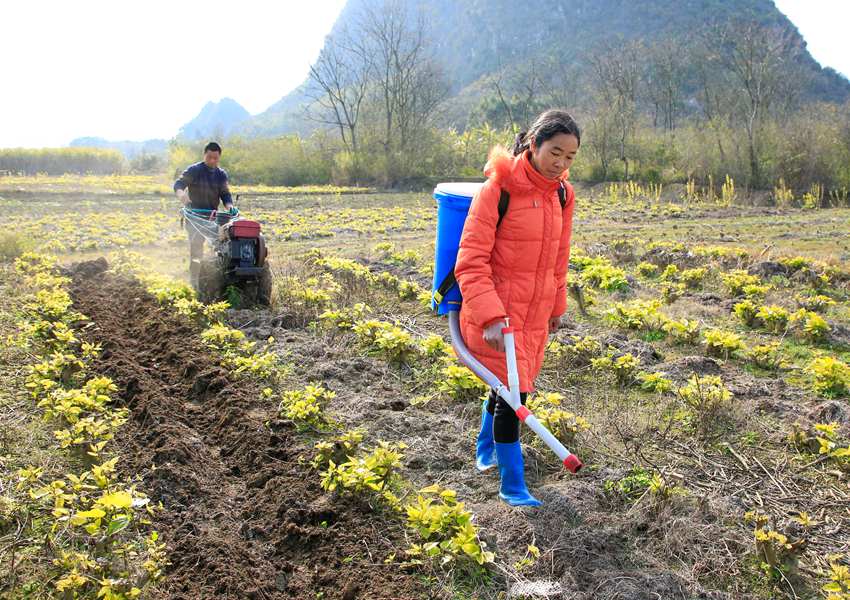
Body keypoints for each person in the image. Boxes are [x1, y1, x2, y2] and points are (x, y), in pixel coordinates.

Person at [455, 109, 580, 507]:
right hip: (501, 315)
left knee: (508, 386)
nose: (561, 163)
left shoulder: (562, 193)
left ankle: (485, 449)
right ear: (533, 144)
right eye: (555, 152)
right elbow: (470, 260)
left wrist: (556, 306)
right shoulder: (499, 189)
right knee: (515, 396)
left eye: (570, 157)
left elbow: (559, 256)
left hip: (535, 314)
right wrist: (491, 317)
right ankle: (513, 485)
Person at [173, 142, 235, 287]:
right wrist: (182, 195)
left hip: (212, 218)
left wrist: (230, 206)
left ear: (219, 157)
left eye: (215, 158)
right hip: (194, 217)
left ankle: (216, 281)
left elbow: (225, 194)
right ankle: (194, 283)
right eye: (209, 157)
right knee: (196, 250)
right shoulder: (195, 170)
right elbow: (178, 184)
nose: (212, 161)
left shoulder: (221, 174)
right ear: (204, 155)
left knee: (221, 247)